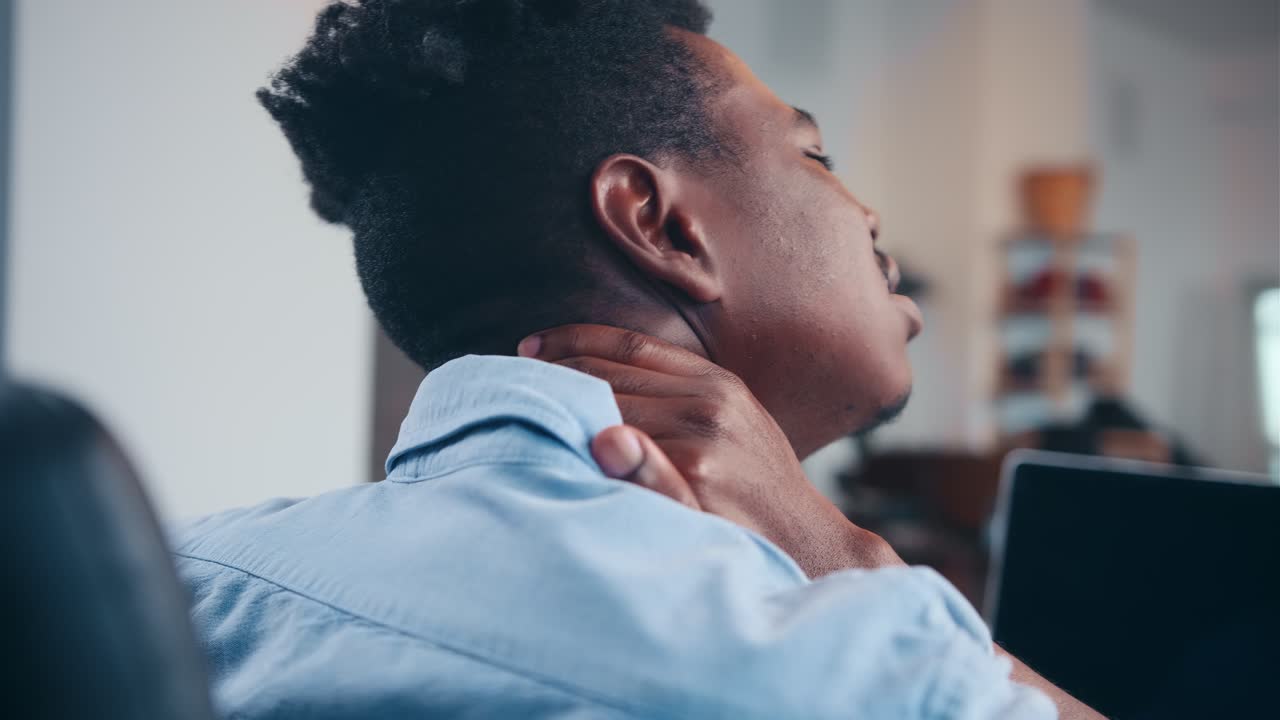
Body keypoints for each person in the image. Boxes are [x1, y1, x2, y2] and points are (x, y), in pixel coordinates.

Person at [175, 1, 1100, 717]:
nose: (868, 213)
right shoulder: (856, 670)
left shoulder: (191, 582)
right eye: (817, 155)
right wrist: (844, 554)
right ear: (660, 223)